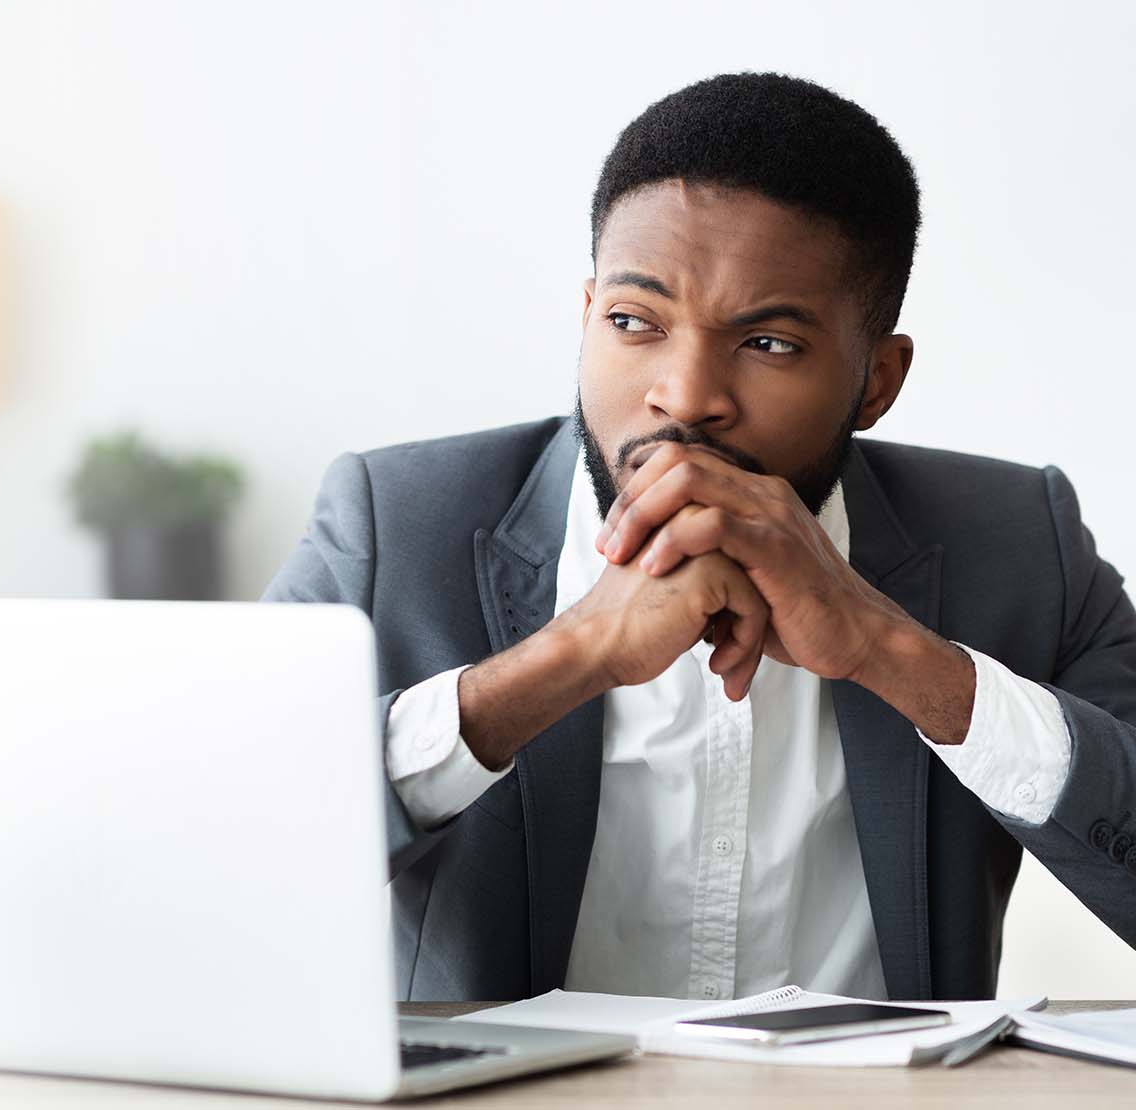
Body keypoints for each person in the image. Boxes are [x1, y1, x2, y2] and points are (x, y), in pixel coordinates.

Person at [264, 71, 1136, 1002]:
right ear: (586, 313)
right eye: (634, 321)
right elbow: (219, 843)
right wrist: (566, 658)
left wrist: (894, 652)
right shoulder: (391, 522)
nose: (683, 395)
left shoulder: (1021, 543)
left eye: (768, 344)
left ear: (878, 379)